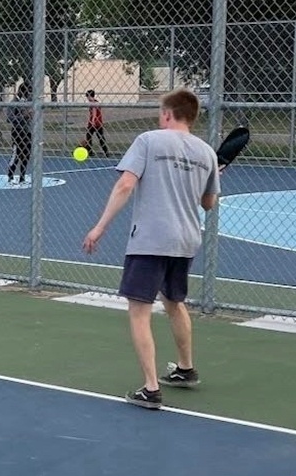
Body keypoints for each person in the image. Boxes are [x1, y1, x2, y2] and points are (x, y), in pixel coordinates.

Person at [81, 88, 220, 410]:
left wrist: (99, 227)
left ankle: (151, 388)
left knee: (139, 310)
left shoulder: (148, 140)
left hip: (151, 238)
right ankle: (185, 369)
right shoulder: (207, 153)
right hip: (185, 240)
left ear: (168, 114)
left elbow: (126, 184)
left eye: (161, 112)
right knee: (175, 301)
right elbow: (209, 203)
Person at [6, 83, 33, 185]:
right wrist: (23, 116)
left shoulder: (29, 102)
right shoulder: (14, 102)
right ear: (21, 91)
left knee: (26, 155)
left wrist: (31, 115)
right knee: (16, 154)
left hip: (28, 132)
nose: (29, 94)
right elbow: (9, 118)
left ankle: (22, 177)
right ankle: (10, 175)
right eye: (27, 92)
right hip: (17, 131)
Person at [82, 89, 110, 157]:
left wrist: (93, 120)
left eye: (88, 97)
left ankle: (90, 151)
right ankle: (106, 152)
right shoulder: (96, 102)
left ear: (90, 96)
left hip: (94, 123)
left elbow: (94, 112)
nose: (87, 98)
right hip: (98, 123)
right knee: (100, 138)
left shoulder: (93, 103)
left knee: (89, 137)